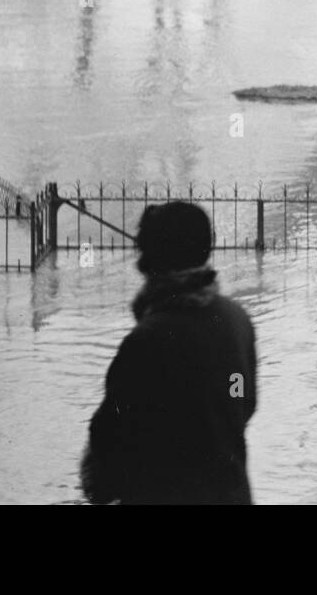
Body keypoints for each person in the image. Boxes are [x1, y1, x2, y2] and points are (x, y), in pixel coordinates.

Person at [81, 201, 257, 504]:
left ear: (151, 263)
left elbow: (109, 435)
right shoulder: (236, 321)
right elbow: (240, 396)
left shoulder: (148, 341)